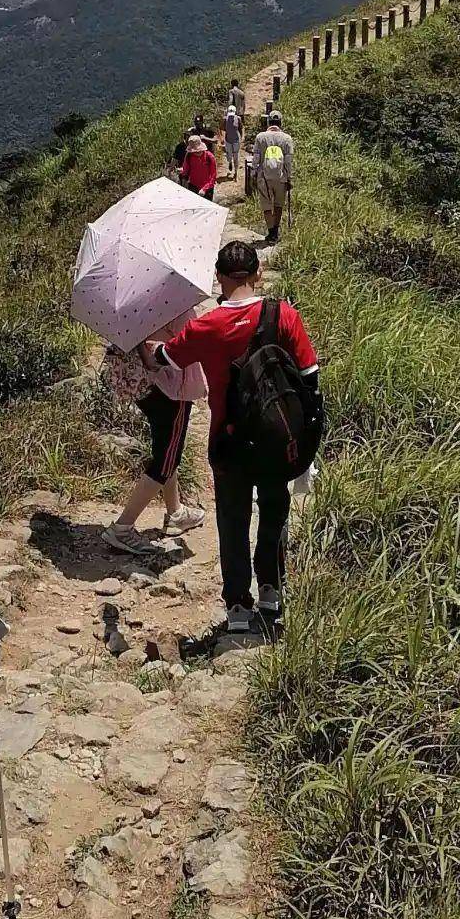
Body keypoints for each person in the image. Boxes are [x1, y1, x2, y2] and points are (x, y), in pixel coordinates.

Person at [145, 238, 320, 637]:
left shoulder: (207, 325)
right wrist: (307, 439)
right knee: (275, 510)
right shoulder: (283, 315)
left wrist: (147, 347)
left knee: (233, 520)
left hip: (229, 442)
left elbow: (165, 359)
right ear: (258, 274)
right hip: (278, 439)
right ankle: (272, 592)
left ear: (219, 279)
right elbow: (310, 377)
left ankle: (238, 606)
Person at [104, 340, 207, 557]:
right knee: (167, 457)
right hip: (169, 385)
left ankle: (175, 512)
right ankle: (123, 527)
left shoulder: (132, 309)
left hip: (140, 380)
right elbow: (185, 343)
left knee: (165, 445)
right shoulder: (169, 307)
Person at [252, 114, 294, 244]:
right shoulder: (287, 138)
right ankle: (275, 231)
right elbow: (288, 161)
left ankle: (271, 233)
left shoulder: (260, 137)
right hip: (281, 177)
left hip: (263, 176)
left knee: (266, 205)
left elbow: (256, 158)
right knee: (278, 205)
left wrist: (254, 173)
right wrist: (289, 177)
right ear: (280, 123)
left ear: (269, 122)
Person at [180, 131, 218, 200]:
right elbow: (185, 170)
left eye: (198, 151)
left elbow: (213, 175)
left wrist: (204, 189)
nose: (197, 152)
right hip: (193, 186)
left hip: (208, 187)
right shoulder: (188, 156)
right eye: (195, 151)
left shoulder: (209, 157)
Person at [223, 100, 242, 180]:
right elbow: (223, 128)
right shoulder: (225, 119)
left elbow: (241, 128)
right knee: (229, 155)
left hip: (236, 140)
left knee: (236, 156)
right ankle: (230, 162)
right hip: (228, 139)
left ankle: (236, 172)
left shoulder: (238, 118)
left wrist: (242, 137)